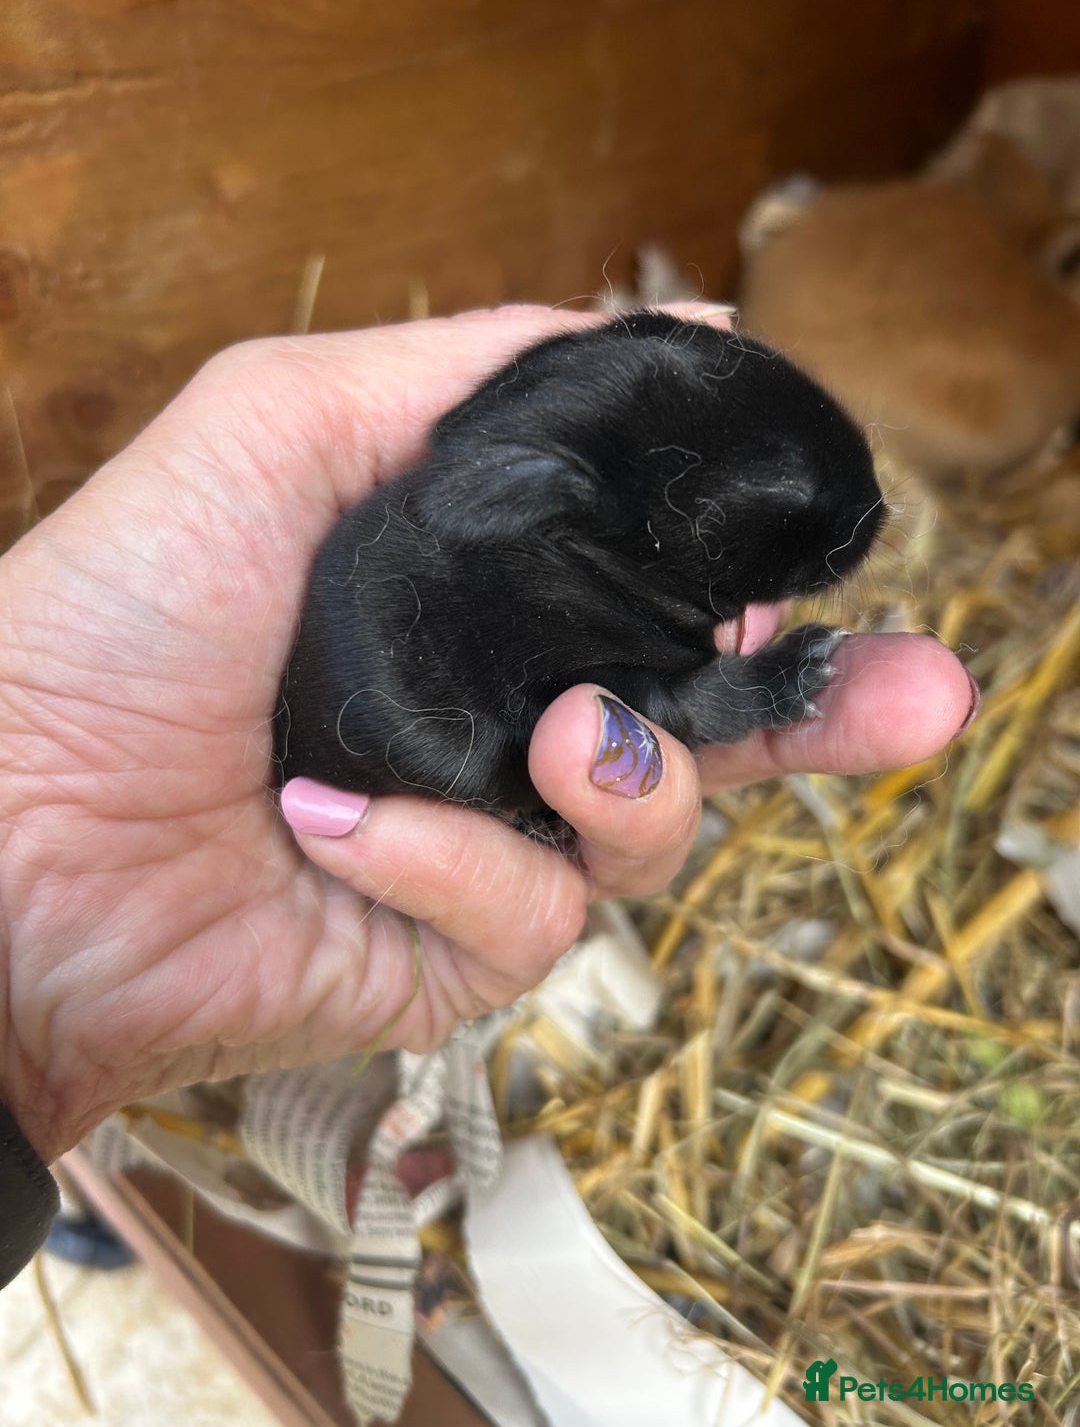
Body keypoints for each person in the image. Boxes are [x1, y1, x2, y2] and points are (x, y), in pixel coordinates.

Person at [0, 305, 979, 1286]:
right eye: (748, 506)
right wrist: (746, 691)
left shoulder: (538, 497)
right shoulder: (513, 545)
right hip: (429, 730)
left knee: (595, 742)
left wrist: (46, 1011)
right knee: (597, 731)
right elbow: (650, 699)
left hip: (414, 729)